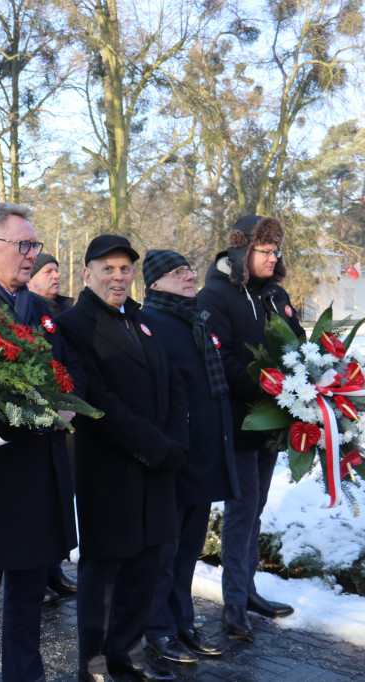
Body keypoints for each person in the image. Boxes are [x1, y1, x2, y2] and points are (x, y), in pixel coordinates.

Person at [0, 203, 79, 682]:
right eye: (22, 245)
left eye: (34, 246)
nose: (31, 256)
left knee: (28, 596)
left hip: (42, 472)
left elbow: (68, 369)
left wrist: (69, 401)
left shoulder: (41, 309)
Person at [58, 235, 189, 682]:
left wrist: (175, 444)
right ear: (87, 272)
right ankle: (94, 665)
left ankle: (127, 658)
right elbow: (97, 400)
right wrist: (157, 446)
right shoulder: (74, 326)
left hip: (156, 468)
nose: (118, 277)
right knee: (106, 577)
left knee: (146, 570)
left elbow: (173, 385)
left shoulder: (142, 320)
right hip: (110, 469)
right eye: (108, 269)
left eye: (125, 269)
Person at [197, 215, 303, 640]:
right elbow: (220, 360)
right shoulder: (216, 294)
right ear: (242, 252)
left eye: (275, 251)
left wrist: (304, 387)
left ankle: (248, 589)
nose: (272, 258)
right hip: (237, 422)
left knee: (255, 510)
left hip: (271, 422)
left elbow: (298, 346)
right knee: (242, 512)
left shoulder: (276, 295)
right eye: (264, 251)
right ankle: (234, 605)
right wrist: (273, 390)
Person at [141, 250, 239, 662]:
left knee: (187, 553)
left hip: (204, 454)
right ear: (155, 283)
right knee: (165, 551)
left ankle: (183, 623)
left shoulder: (193, 318)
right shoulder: (153, 323)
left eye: (189, 270)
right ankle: (157, 628)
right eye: (178, 272)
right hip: (178, 457)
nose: (189, 276)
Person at [28, 250, 81, 602]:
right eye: (47, 271)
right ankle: (38, 574)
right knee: (39, 500)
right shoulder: (27, 310)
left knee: (61, 496)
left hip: (66, 419)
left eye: (57, 271)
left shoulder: (67, 313)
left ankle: (54, 569)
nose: (56, 276)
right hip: (34, 424)